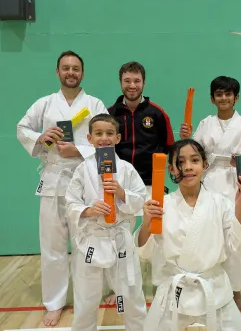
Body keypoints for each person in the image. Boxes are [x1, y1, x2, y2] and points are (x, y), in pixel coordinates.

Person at [16, 50, 108, 326]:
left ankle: (87, 297)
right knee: (53, 246)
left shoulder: (94, 104)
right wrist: (43, 138)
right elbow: (22, 130)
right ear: (58, 72)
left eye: (76, 68)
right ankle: (54, 303)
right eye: (66, 68)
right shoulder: (44, 105)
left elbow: (108, 141)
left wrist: (78, 151)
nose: (71, 72)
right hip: (53, 182)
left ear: (82, 73)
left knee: (86, 244)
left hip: (86, 183)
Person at [135, 139, 241, 330]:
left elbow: (238, 247)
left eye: (194, 160)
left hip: (214, 289)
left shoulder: (220, 203)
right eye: (180, 162)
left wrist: (239, 206)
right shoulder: (162, 205)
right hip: (174, 291)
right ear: (171, 169)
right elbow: (145, 252)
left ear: (205, 165)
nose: (188, 167)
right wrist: (146, 223)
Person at [179, 75, 241, 317]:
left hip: (233, 184)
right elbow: (191, 150)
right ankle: (204, 288)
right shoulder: (205, 123)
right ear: (212, 99)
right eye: (219, 94)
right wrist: (185, 135)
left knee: (234, 240)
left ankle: (236, 293)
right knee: (205, 236)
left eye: (228, 94)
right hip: (206, 183)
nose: (223, 98)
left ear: (236, 97)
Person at [65, 113, 148, 331]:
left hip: (120, 239)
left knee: (131, 295)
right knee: (86, 298)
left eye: (110, 133)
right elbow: (70, 203)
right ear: (89, 138)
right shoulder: (82, 170)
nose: (104, 138)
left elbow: (140, 200)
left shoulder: (127, 170)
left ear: (118, 138)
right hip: (91, 241)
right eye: (99, 133)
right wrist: (88, 210)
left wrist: (121, 193)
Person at [106, 61, 175, 304]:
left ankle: (161, 286)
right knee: (119, 237)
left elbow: (170, 148)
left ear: (143, 82)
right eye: (127, 80)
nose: (132, 85)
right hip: (120, 185)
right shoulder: (110, 113)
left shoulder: (157, 113)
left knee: (157, 236)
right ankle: (120, 290)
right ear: (121, 82)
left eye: (136, 81)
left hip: (150, 183)